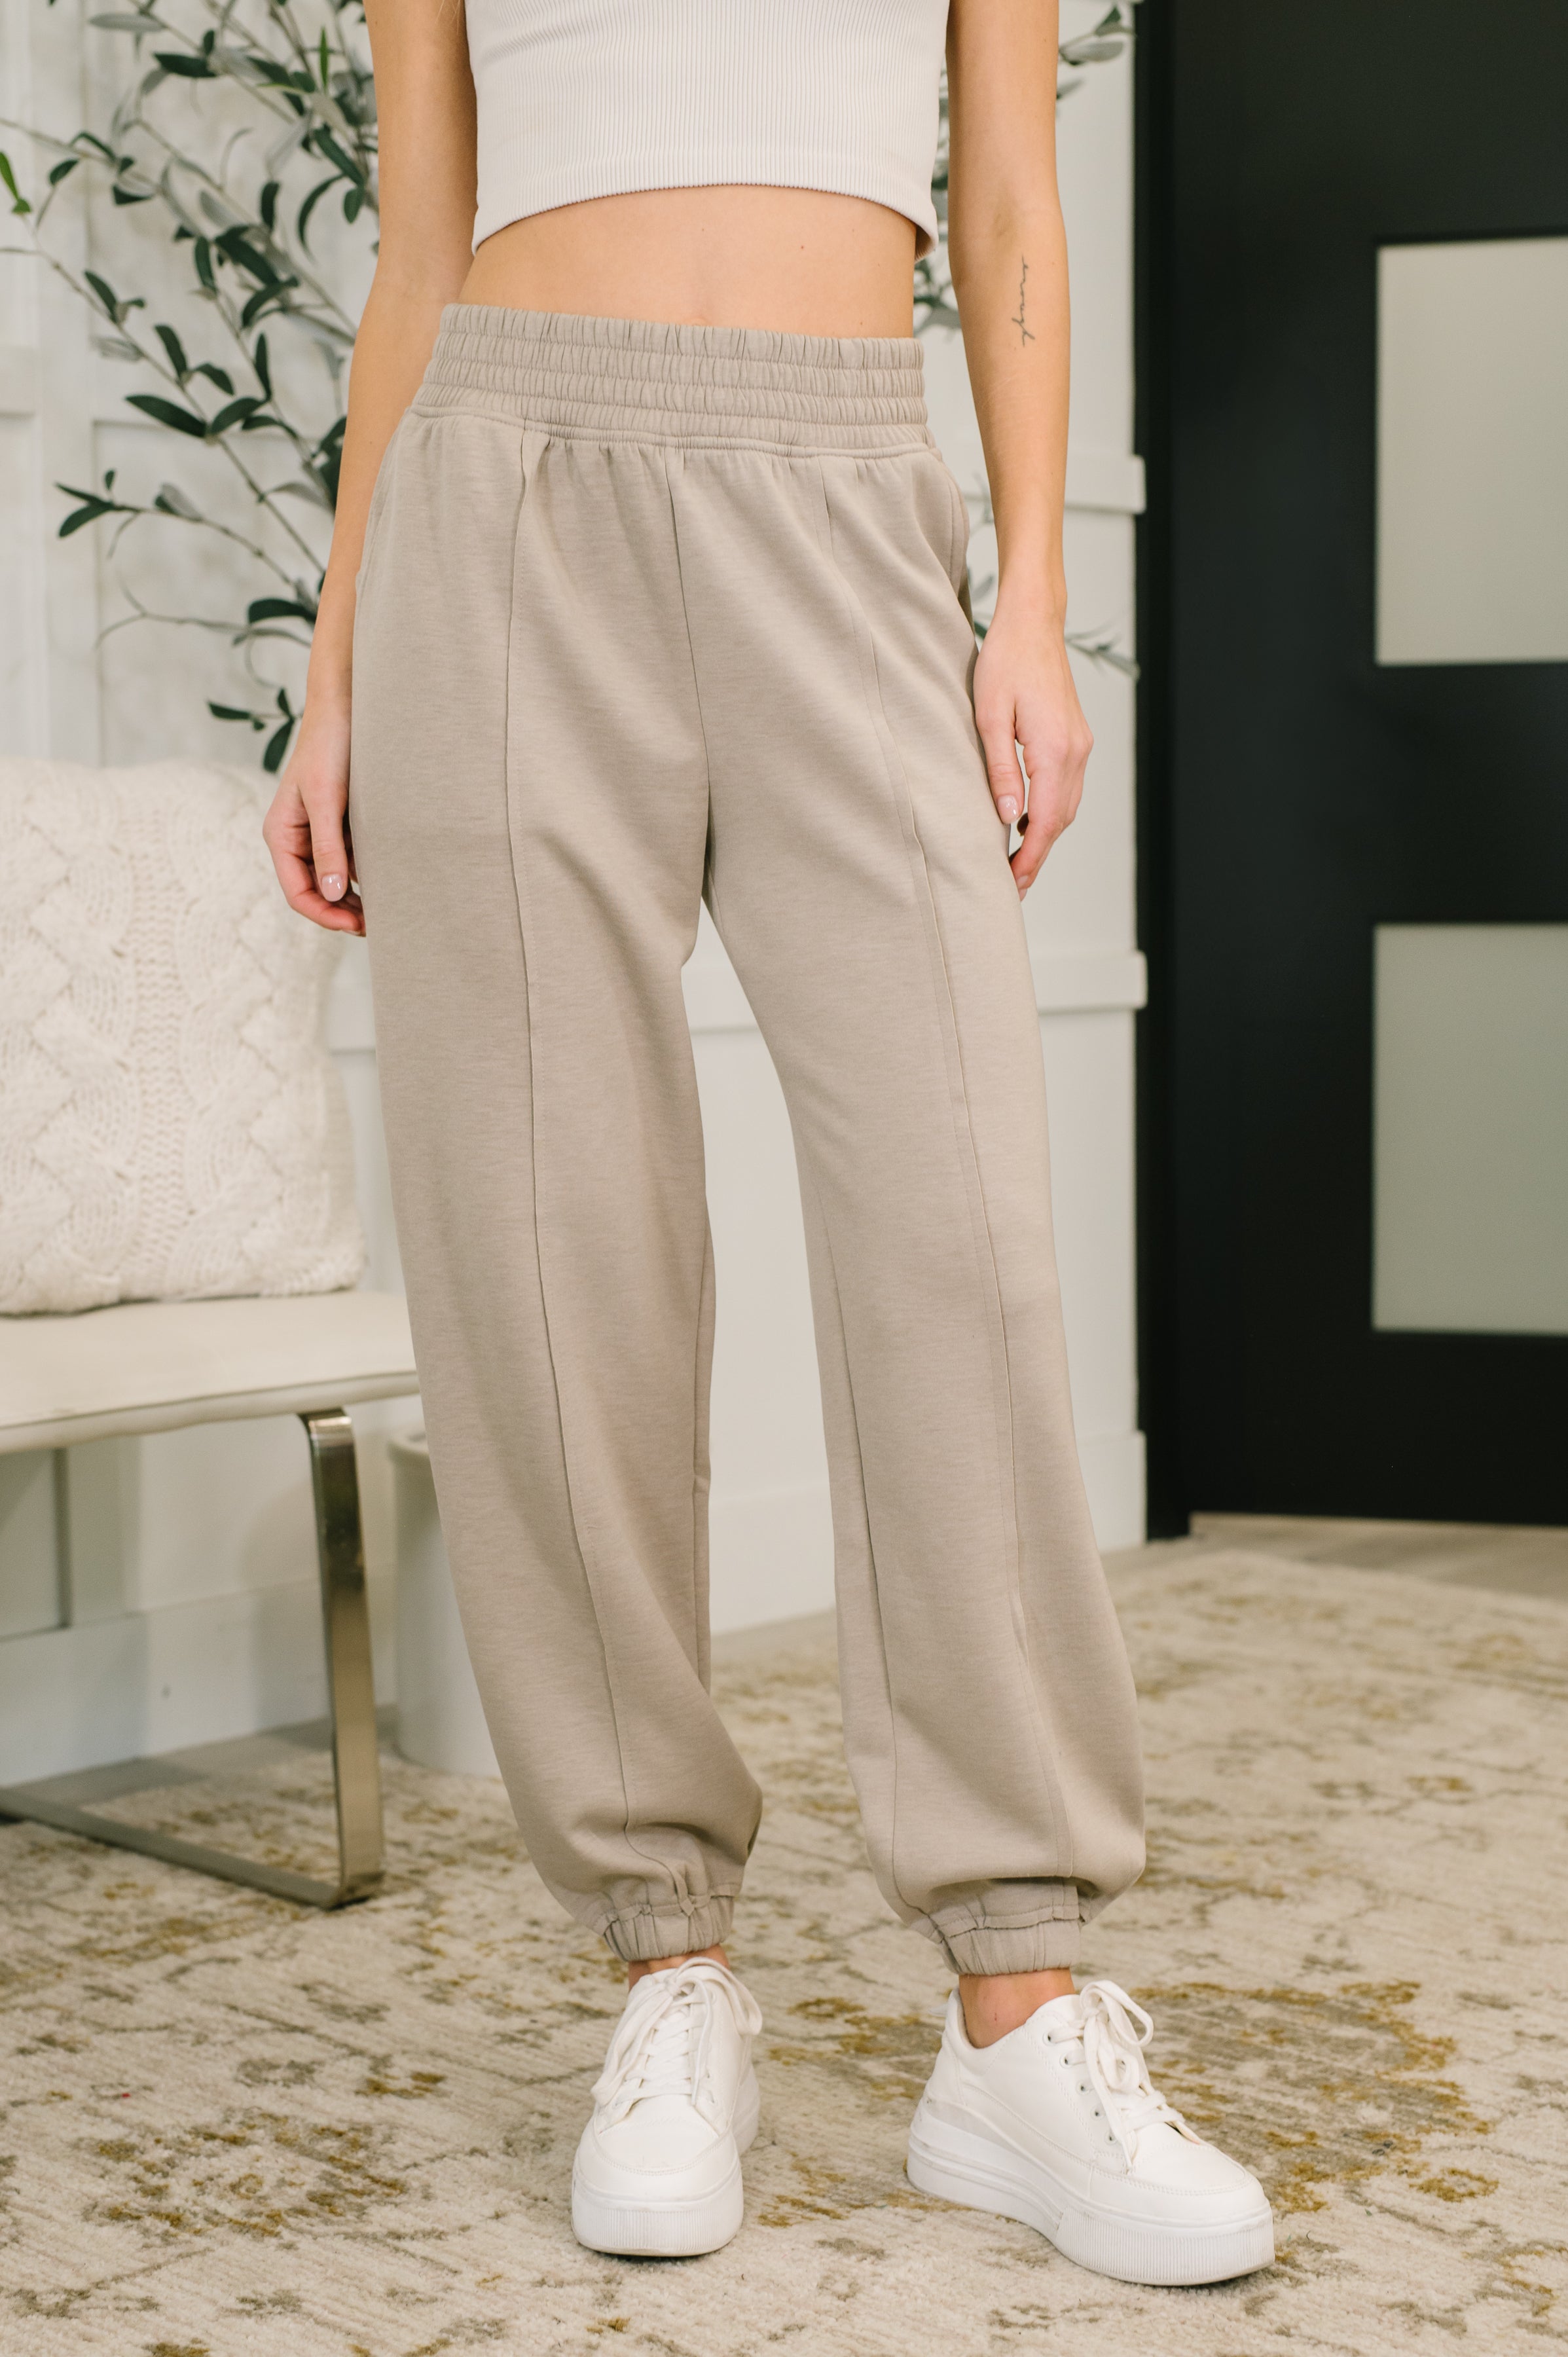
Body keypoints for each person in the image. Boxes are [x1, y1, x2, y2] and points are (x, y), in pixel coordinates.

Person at [263, 0, 1273, 2290]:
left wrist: (1024, 596)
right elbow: (417, 256)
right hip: (500, 500)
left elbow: (1005, 205)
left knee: (963, 1235)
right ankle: (664, 1962)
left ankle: (1015, 2004)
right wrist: (335, 671)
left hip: (842, 487)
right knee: (549, 1245)